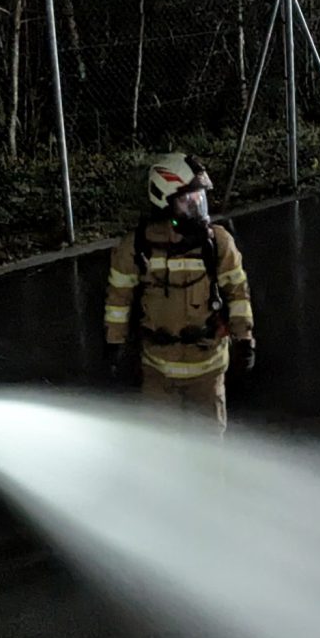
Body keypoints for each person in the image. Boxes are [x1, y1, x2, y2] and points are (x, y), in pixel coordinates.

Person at [104, 154, 255, 435]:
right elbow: (118, 300)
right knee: (162, 450)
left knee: (208, 449)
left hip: (207, 368)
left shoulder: (219, 243)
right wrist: (115, 344)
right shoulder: (136, 248)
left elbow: (238, 293)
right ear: (164, 201)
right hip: (158, 370)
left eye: (200, 199)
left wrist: (244, 338)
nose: (197, 207)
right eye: (188, 200)